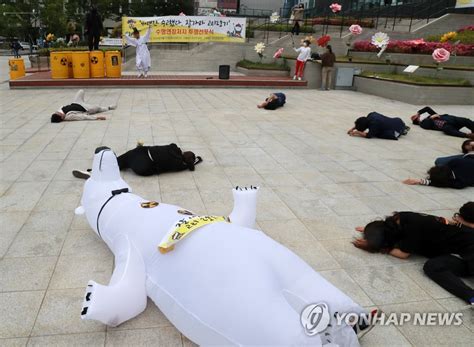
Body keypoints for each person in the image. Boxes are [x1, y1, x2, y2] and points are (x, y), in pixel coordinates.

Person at [353, 209, 474, 306]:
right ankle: (471, 296)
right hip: (459, 254)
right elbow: (388, 230)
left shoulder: (412, 229)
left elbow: (402, 254)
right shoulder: (400, 218)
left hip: (471, 247)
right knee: (432, 266)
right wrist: (372, 232)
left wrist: (377, 246)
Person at [72, 143, 202, 179]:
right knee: (131, 162)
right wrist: (195, 161)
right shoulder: (179, 165)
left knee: (121, 161)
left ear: (184, 152)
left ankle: (94, 170)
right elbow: (190, 167)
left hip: (141, 154)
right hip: (144, 168)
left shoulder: (173, 146)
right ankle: (98, 172)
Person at [403, 155, 474, 189]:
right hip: (469, 157)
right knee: (439, 161)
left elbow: (444, 184)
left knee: (439, 161)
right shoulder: (456, 161)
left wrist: (423, 181)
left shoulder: (461, 182)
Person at [50, 89, 116, 123]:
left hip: (76, 102)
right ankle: (109, 107)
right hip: (85, 108)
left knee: (81, 91)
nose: (58, 112)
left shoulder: (59, 111)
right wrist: (96, 118)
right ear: (61, 118)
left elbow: (57, 113)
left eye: (57, 113)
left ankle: (107, 107)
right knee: (97, 107)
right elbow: (83, 117)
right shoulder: (70, 117)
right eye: (59, 114)